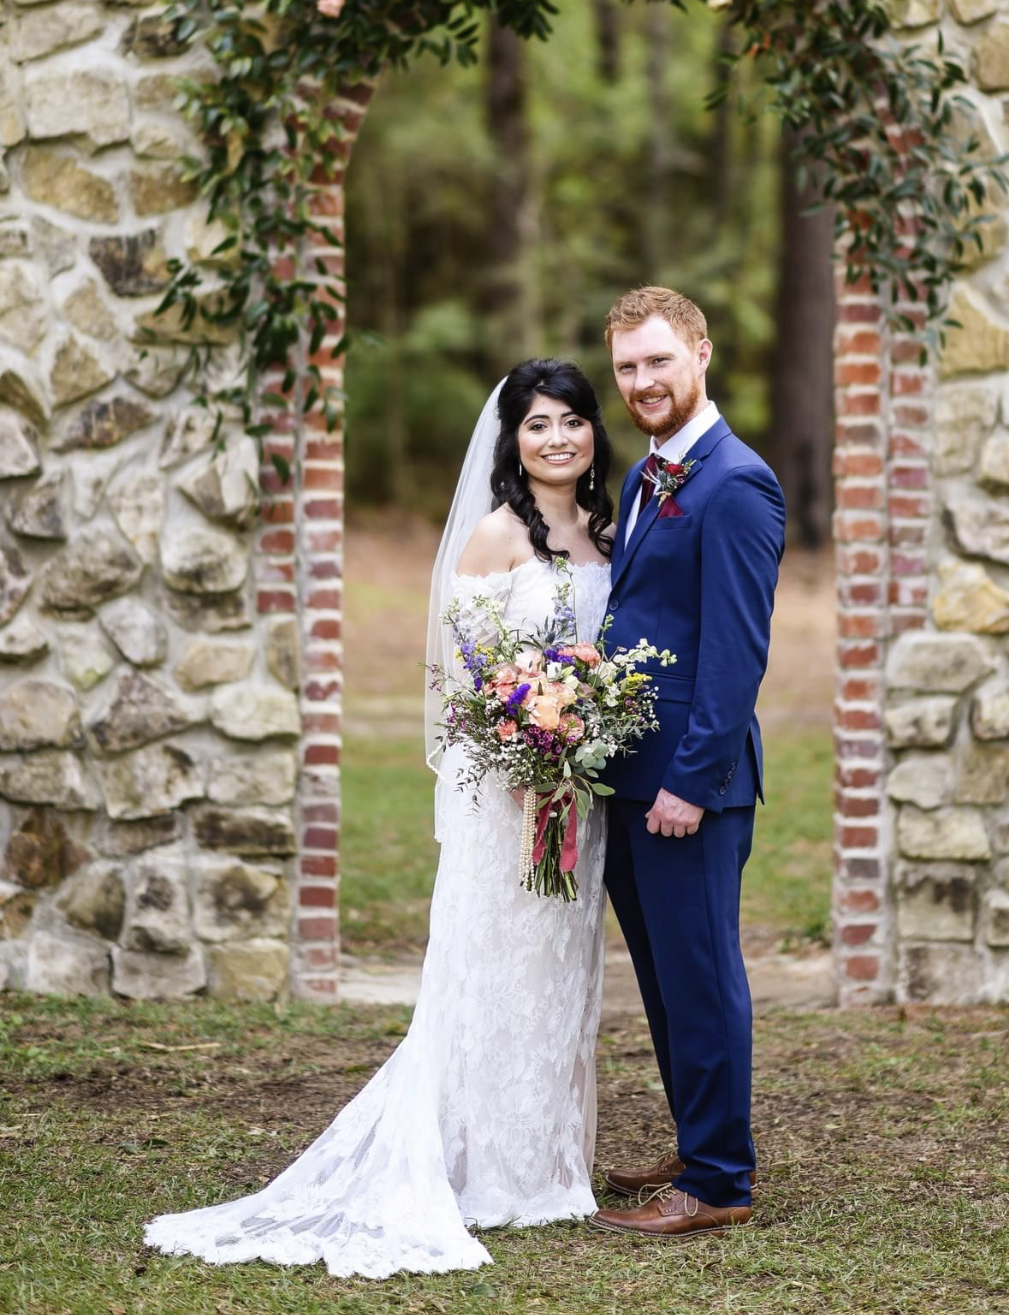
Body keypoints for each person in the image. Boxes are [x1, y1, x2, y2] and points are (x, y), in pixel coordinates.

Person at [144, 358, 615, 1279]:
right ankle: (476, 1167)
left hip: (575, 788)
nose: (557, 438)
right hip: (509, 785)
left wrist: (578, 741)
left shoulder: (604, 527)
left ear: (593, 431)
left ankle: (544, 1166)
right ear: (513, 441)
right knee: (492, 958)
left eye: (572, 420)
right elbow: (467, 673)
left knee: (559, 961)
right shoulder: (495, 534)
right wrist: (528, 755)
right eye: (537, 424)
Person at [589, 285, 786, 1240]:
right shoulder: (650, 473)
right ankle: (696, 1136)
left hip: (687, 785)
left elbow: (735, 653)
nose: (642, 382)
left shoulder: (735, 482)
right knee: (666, 977)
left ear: (700, 353)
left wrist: (689, 783)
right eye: (627, 367)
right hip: (630, 774)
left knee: (701, 974)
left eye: (659, 360)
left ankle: (719, 1179)